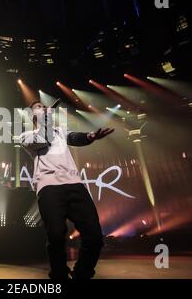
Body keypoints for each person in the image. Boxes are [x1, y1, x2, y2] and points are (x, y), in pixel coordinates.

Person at [19, 100, 114, 279]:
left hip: (74, 184)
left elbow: (75, 137)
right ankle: (59, 274)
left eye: (44, 106)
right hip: (49, 186)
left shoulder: (60, 132)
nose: (44, 108)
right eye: (39, 107)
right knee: (56, 235)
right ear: (33, 116)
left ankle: (82, 274)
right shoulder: (26, 136)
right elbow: (43, 139)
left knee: (94, 235)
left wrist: (90, 136)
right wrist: (46, 120)